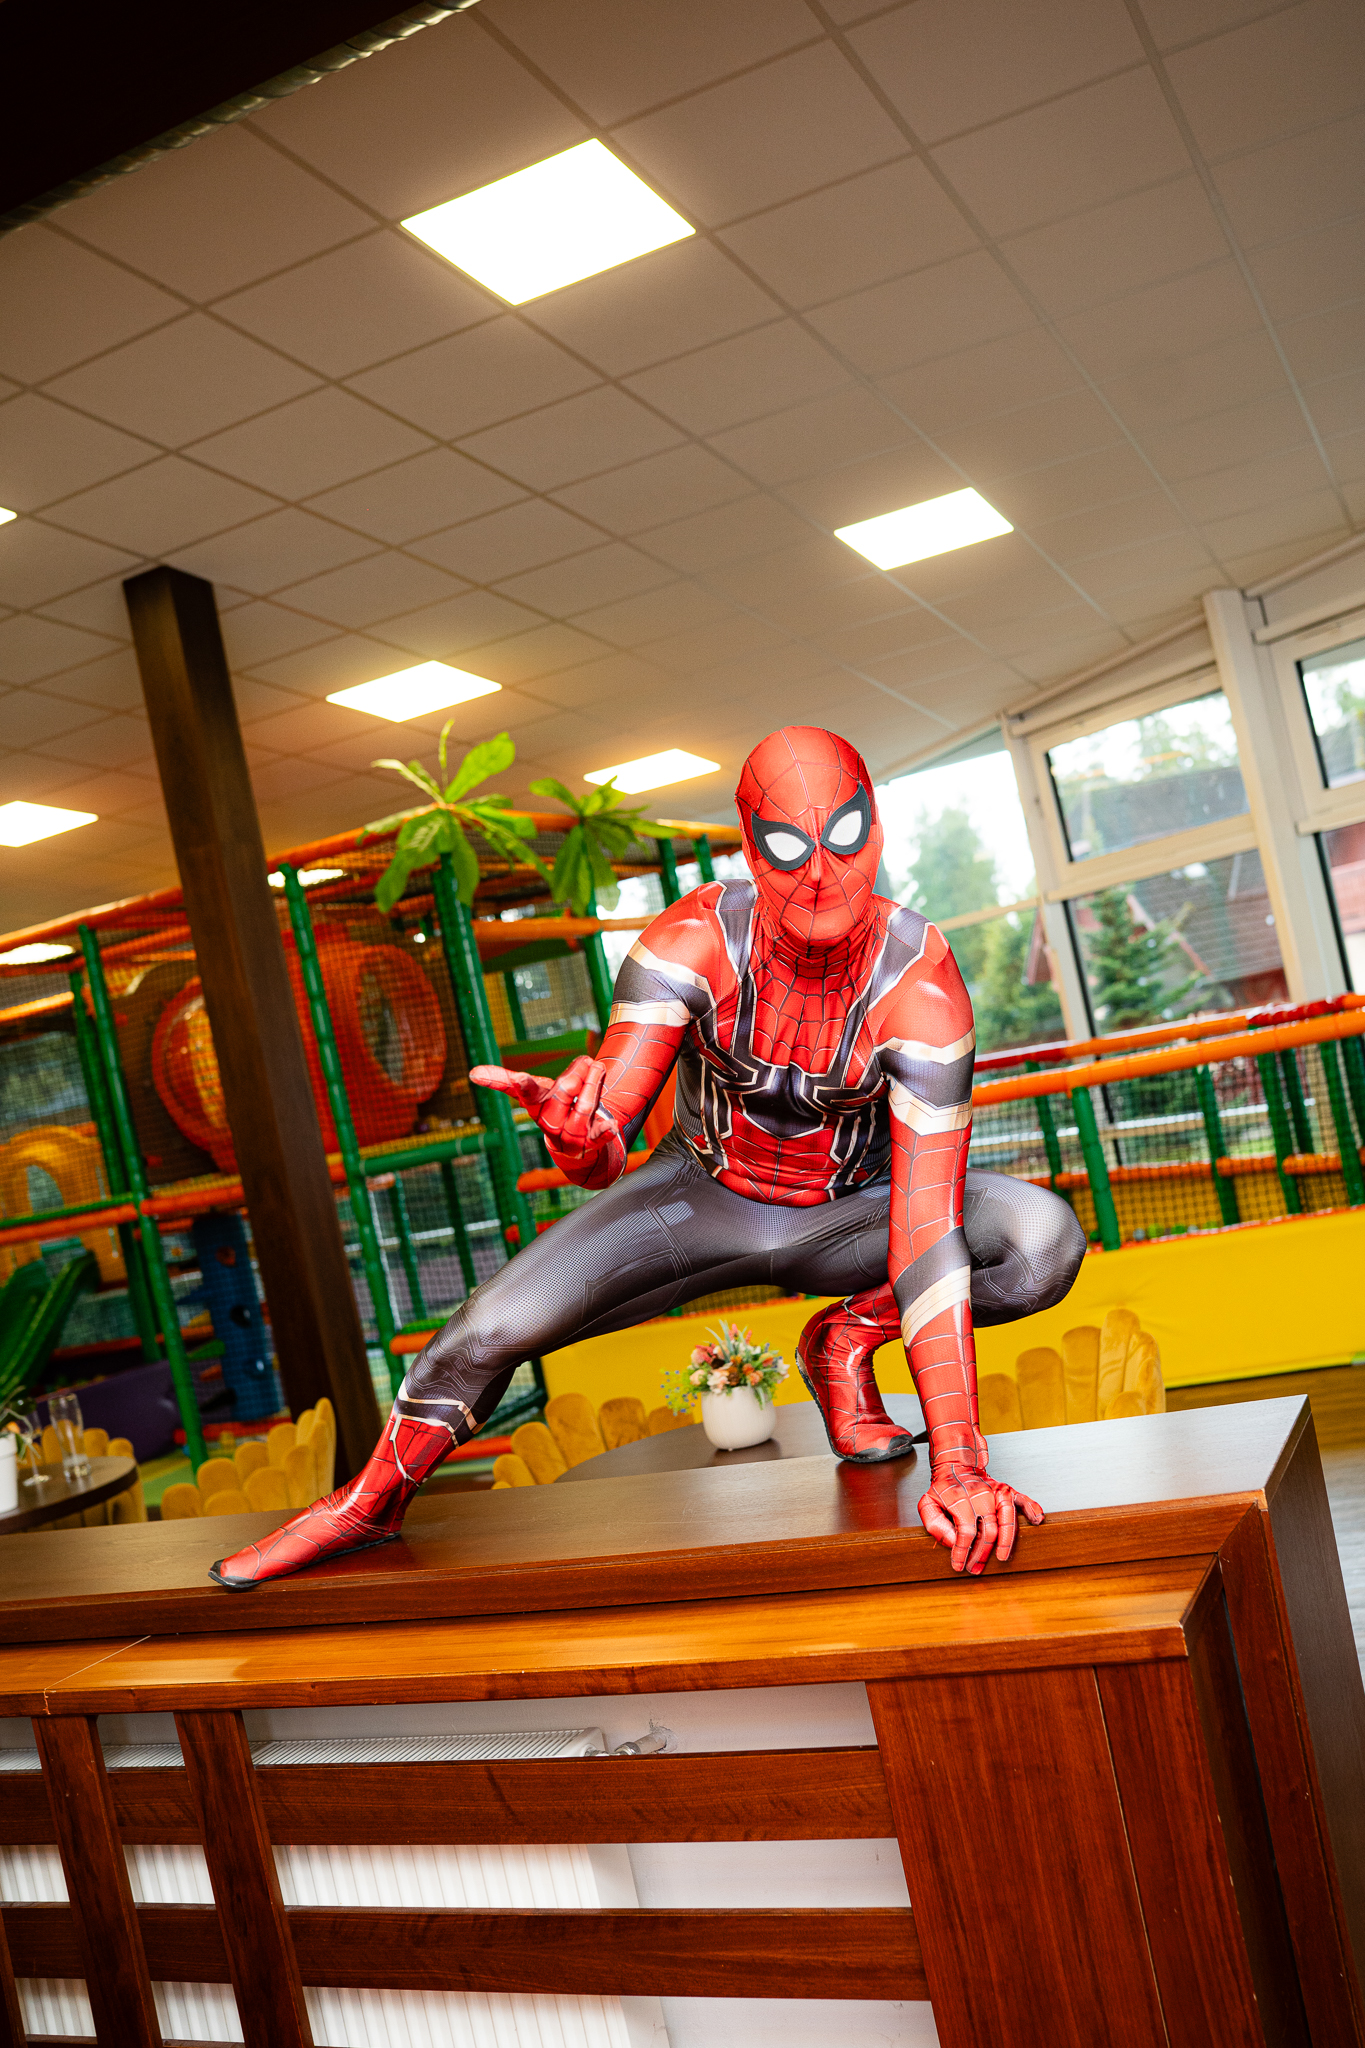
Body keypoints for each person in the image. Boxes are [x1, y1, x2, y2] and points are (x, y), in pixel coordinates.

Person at [212, 726, 1084, 1589]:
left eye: (843, 836)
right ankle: (365, 1504)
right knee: (485, 1332)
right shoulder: (693, 939)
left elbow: (924, 1225)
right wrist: (576, 1134)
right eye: (788, 847)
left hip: (851, 1213)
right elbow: (605, 1147)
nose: (820, 872)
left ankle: (843, 1339)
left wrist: (958, 1465)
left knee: (1041, 1241)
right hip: (697, 1196)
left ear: (876, 829)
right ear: (751, 849)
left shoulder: (920, 985)